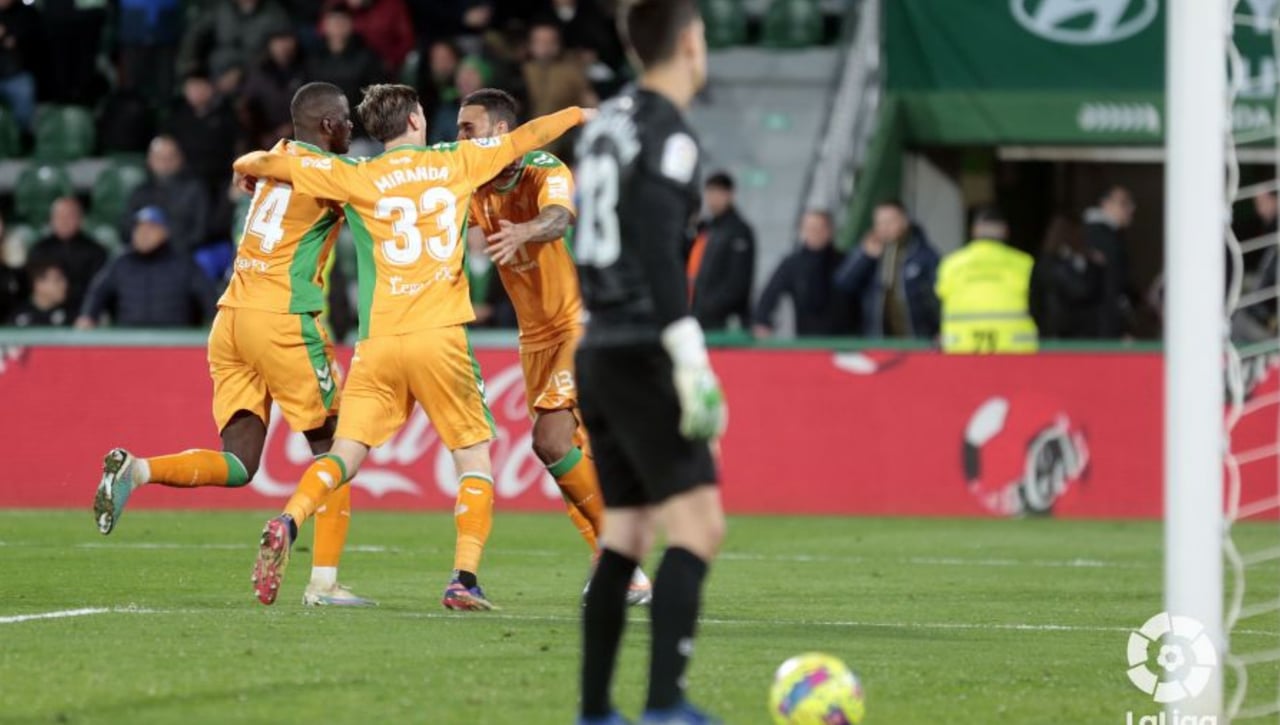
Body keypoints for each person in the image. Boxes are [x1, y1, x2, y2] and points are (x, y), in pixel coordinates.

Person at [233, 83, 588, 610]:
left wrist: (252, 165)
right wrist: (580, 110)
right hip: (439, 336)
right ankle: (463, 578)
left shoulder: (357, 174)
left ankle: (290, 518)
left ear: (375, 130)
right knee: (473, 460)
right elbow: (531, 136)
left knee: (345, 454)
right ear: (418, 120)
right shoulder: (456, 160)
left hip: (377, 343)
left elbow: (276, 165)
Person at [91, 83, 373, 607]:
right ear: (329, 126)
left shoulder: (276, 157)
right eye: (347, 122)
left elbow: (249, 159)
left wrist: (246, 166)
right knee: (337, 450)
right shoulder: (332, 174)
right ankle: (324, 582)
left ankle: (140, 470)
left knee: (240, 463)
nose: (353, 130)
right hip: (282, 320)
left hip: (230, 321)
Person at [574, 1, 726, 723]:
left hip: (598, 342)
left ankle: (596, 709)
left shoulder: (605, 122)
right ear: (691, 43)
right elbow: (664, 253)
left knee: (626, 534)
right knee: (698, 528)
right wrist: (688, 355)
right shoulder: (672, 133)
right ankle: (666, 704)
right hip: (642, 346)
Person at [457, 88, 651, 605]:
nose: (460, 138)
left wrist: (526, 230)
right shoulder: (474, 183)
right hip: (533, 337)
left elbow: (561, 217)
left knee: (552, 440)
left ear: (501, 132)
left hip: (574, 326)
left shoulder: (545, 169)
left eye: (468, 128)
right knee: (562, 455)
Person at [77, 207, 218, 328]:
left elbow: (208, 295)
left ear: (165, 232)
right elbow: (97, 292)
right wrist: (88, 316)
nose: (143, 234)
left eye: (151, 228)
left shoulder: (183, 263)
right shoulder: (121, 263)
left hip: (173, 342)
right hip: (127, 342)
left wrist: (216, 320)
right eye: (139, 228)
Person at [934, 206, 1036, 354]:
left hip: (960, 350)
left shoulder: (951, 264)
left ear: (974, 231)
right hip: (1014, 352)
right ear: (1006, 231)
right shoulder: (1024, 263)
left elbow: (935, 303)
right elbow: (1041, 307)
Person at [834, 200, 940, 339]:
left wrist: (940, 329)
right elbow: (842, 284)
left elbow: (940, 294)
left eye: (890, 221)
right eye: (879, 222)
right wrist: (865, 256)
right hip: (878, 341)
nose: (884, 227)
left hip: (917, 340)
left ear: (904, 221)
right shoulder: (867, 252)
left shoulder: (923, 254)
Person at [752, 210, 852, 338]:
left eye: (819, 228)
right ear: (802, 231)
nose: (815, 233)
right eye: (810, 228)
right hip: (806, 341)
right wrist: (762, 322)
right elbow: (769, 294)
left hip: (846, 342)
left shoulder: (845, 262)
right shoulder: (792, 264)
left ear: (830, 230)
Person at [123, 136, 212, 255]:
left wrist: (165, 241)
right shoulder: (140, 191)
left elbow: (201, 232)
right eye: (159, 158)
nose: (165, 162)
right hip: (143, 256)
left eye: (171, 157)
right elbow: (126, 229)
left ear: (180, 159)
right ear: (150, 160)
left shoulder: (194, 189)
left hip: (182, 256)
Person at [689, 171, 754, 331]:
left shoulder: (739, 232)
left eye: (717, 193)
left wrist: (708, 307)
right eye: (709, 193)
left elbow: (737, 283)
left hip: (724, 322)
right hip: (699, 318)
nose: (712, 199)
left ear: (729, 195)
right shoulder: (706, 230)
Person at [25, 197, 107, 316]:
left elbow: (98, 289)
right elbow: (31, 286)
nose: (64, 221)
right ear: (51, 220)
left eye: (70, 216)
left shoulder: (95, 251)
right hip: (42, 313)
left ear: (80, 219)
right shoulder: (39, 249)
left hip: (82, 314)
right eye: (59, 216)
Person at [164, 72, 241, 198]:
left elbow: (238, 149)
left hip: (219, 180)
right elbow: (166, 146)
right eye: (191, 87)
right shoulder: (177, 116)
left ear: (210, 88)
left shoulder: (226, 115)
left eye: (200, 86)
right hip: (185, 180)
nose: (196, 92)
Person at [305, 7, 383, 115]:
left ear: (351, 25)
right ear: (325, 26)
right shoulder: (314, 57)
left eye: (342, 22)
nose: (338, 27)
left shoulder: (367, 56)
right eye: (333, 23)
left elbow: (377, 94)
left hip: (358, 120)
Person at [1083, 185, 1136, 338]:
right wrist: (1117, 330)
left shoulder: (1108, 236)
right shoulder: (1102, 238)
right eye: (1124, 203)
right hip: (1101, 331)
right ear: (1105, 204)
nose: (1131, 209)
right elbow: (1111, 288)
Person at [240, 30, 306, 150]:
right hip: (264, 136)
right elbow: (246, 106)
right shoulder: (258, 73)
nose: (283, 46)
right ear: (269, 45)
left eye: (287, 40)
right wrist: (262, 134)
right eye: (278, 42)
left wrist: (291, 128)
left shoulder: (306, 70)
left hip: (299, 135)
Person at [0, 0, 40, 132]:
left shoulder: (26, 13)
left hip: (16, 74)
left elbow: (23, 40)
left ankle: (24, 140)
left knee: (25, 116)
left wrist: (5, 35)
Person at [8, 261, 70, 327]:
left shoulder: (70, 315)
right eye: (57, 280)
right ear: (38, 284)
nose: (64, 285)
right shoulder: (18, 318)